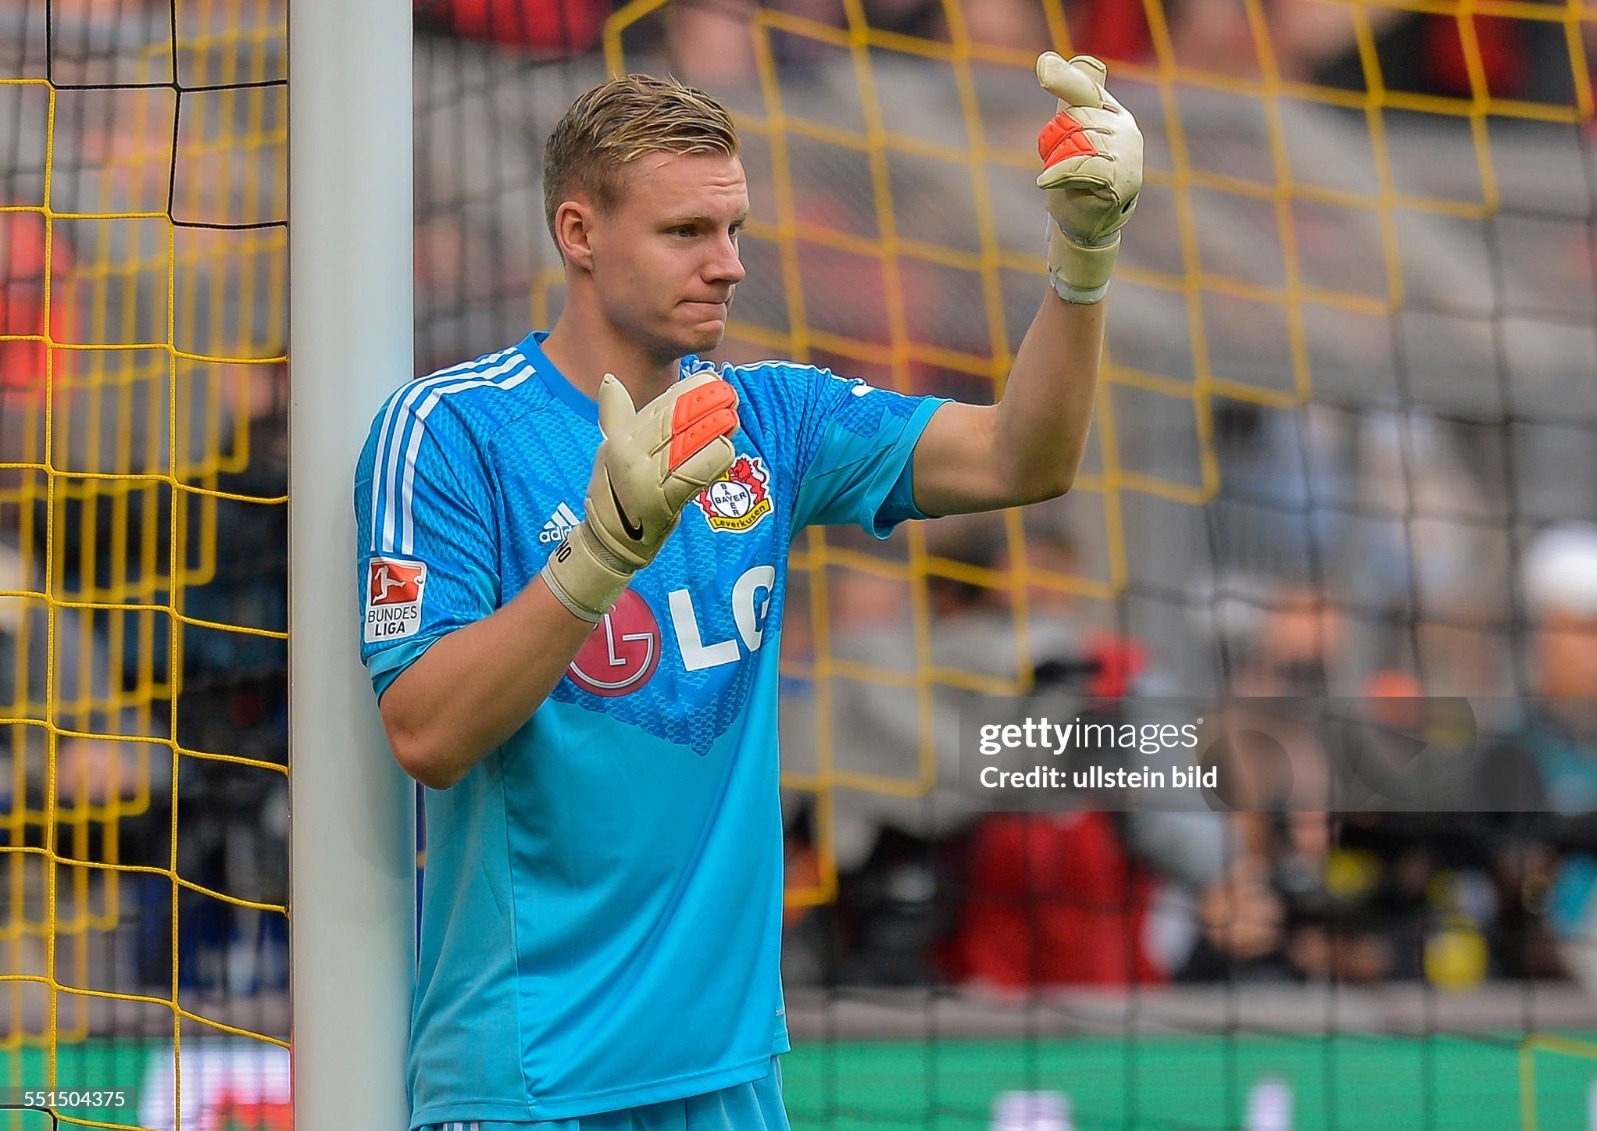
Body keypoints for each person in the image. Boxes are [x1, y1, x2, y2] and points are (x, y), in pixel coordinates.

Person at [354, 59, 1142, 1130]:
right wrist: (596, 562)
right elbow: (426, 732)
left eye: (735, 232)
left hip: (728, 1073)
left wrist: (1083, 261)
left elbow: (1022, 458)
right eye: (686, 233)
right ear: (578, 233)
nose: (727, 266)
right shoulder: (449, 430)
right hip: (530, 1074)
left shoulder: (769, 420)